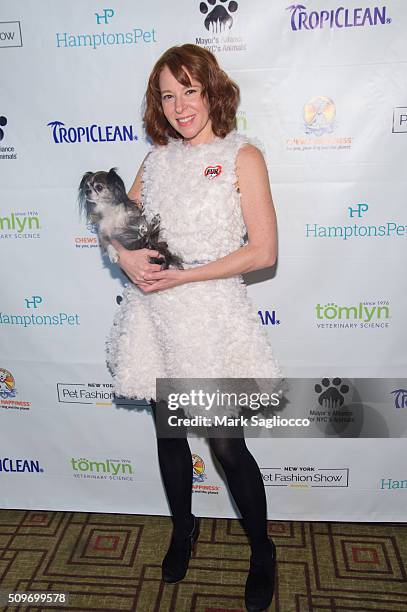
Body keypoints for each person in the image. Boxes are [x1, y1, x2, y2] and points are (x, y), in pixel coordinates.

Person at [106, 44, 282, 612]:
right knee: (169, 435)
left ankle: (263, 550)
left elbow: (263, 252)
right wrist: (125, 256)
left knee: (228, 447)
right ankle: (184, 527)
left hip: (209, 316)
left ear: (211, 89)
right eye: (167, 94)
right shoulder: (156, 158)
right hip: (155, 318)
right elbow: (115, 216)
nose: (180, 105)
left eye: (189, 90)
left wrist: (187, 277)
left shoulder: (243, 156)